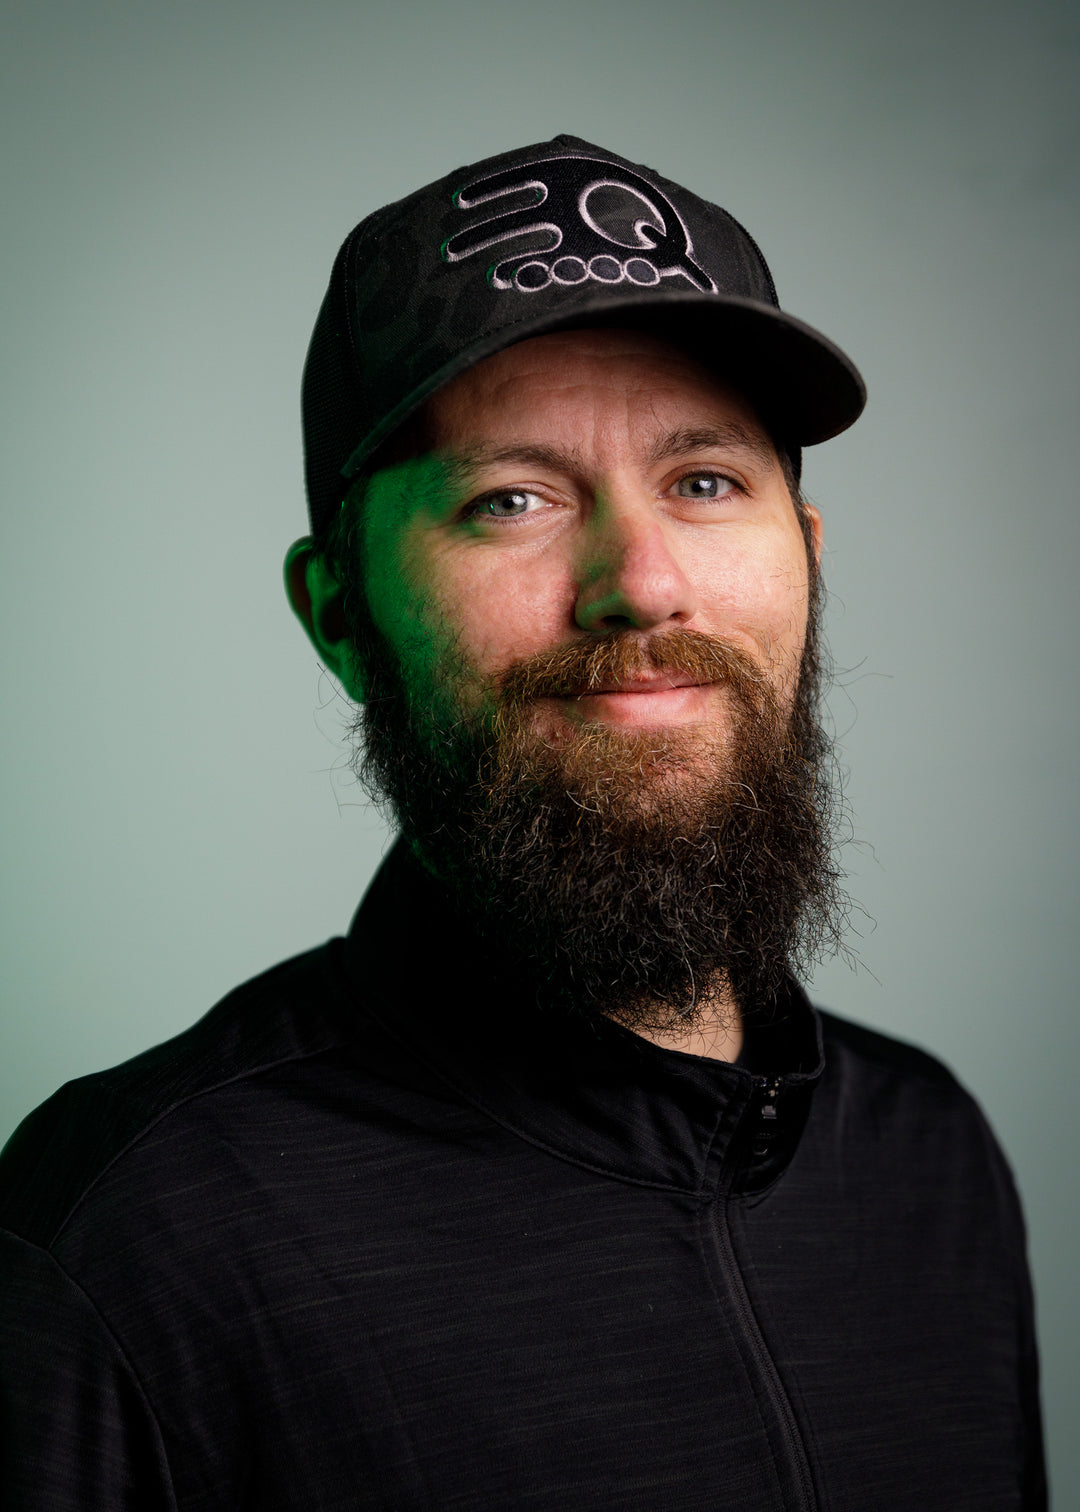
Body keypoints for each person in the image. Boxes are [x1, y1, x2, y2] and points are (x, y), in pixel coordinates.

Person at [0, 136, 1045, 1510]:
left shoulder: (928, 1160)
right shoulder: (128, 1227)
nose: (643, 583)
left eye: (706, 480)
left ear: (808, 557)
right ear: (341, 616)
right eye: (514, 500)